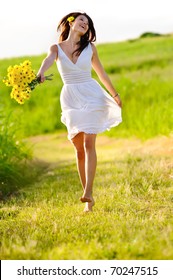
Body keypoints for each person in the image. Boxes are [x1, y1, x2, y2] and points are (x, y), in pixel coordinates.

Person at [37, 12, 122, 212]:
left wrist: (115, 95)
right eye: (81, 20)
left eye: (88, 23)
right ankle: (89, 200)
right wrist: (40, 73)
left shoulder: (90, 48)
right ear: (71, 23)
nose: (85, 24)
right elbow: (48, 60)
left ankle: (88, 193)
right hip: (70, 98)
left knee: (88, 142)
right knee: (78, 148)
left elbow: (101, 73)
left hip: (91, 95)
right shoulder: (56, 48)